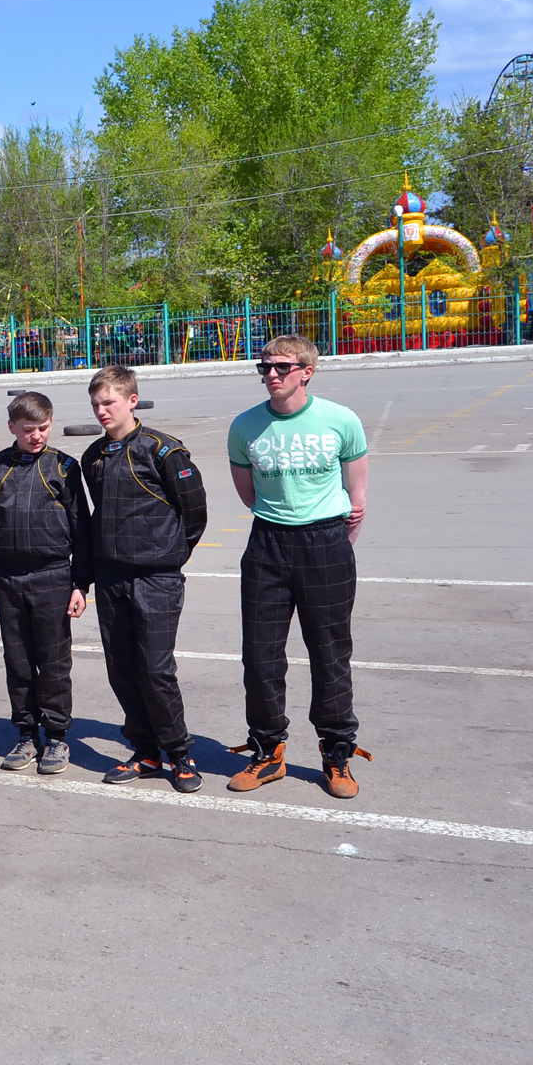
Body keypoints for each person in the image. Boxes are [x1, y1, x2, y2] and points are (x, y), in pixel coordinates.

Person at [226, 334, 372, 798]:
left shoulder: (340, 420)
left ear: (307, 371)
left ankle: (336, 754)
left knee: (330, 654)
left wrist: (335, 539)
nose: (271, 374)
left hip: (325, 543)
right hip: (268, 544)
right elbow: (248, 494)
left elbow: (356, 495)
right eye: (264, 367)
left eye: (282, 367)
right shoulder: (245, 426)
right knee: (260, 656)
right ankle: (268, 751)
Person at [81, 365, 208, 792]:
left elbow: (195, 513)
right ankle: (146, 752)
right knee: (122, 670)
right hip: (111, 578)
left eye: (109, 402)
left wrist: (169, 555)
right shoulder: (93, 457)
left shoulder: (162, 451)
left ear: (132, 401)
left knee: (155, 670)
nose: (101, 411)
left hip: (156, 580)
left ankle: (180, 754)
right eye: (96, 404)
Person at [0, 392, 91, 775]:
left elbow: (82, 529)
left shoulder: (64, 467)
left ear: (51, 423)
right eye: (28, 430)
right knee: (18, 663)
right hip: (7, 580)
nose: (36, 436)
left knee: (54, 663)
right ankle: (26, 734)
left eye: (43, 428)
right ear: (12, 427)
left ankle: (56, 737)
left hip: (53, 577)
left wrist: (81, 584)